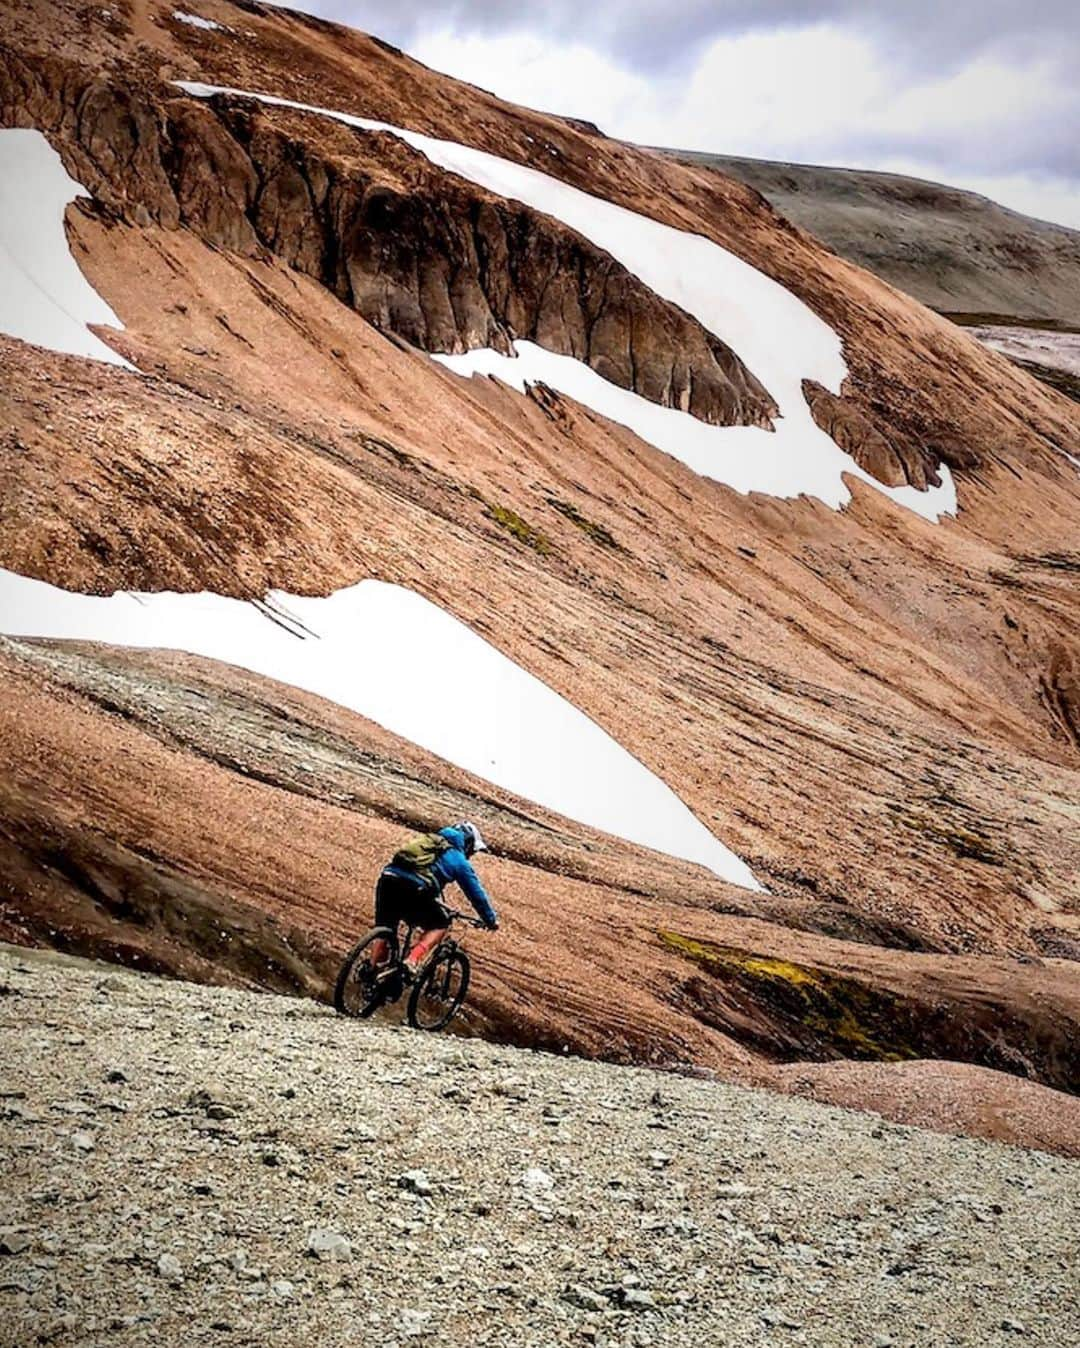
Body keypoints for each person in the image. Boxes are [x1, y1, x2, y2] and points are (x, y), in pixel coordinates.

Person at [372, 821, 497, 981]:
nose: (470, 855)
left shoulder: (428, 842)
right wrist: (490, 920)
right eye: (472, 851)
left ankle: (370, 970)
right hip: (413, 889)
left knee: (385, 928)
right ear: (468, 843)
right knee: (440, 924)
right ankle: (412, 960)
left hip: (388, 880)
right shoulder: (459, 860)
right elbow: (476, 895)